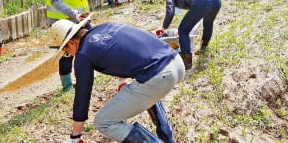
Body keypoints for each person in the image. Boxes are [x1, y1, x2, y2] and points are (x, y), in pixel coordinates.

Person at [48, 17, 185, 142]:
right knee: (144, 90)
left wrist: (76, 134)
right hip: (176, 63)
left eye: (66, 52)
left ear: (71, 43)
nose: (69, 55)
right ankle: (167, 138)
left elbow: (82, 97)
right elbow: (127, 49)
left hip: (159, 77)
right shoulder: (107, 26)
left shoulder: (83, 54)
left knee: (103, 122)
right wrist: (122, 81)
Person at [157, 0, 221, 70]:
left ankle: (186, 63)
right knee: (208, 23)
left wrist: (163, 28)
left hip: (203, 1)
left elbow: (170, 12)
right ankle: (203, 48)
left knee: (183, 30)